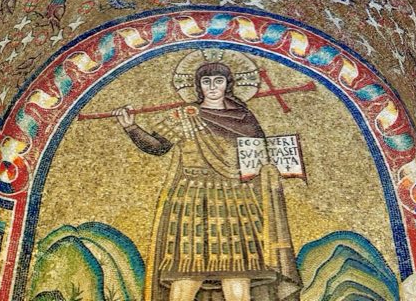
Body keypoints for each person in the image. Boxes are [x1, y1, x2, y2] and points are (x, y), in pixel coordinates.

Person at [113, 60, 301, 301]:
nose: (212, 87)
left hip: (236, 200)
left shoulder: (244, 118)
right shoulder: (184, 115)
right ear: (198, 86)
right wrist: (131, 128)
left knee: (237, 269)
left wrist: (274, 167)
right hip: (193, 199)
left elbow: (260, 156)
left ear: (227, 85)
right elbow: (158, 146)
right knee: (187, 270)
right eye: (206, 81)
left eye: (218, 81)